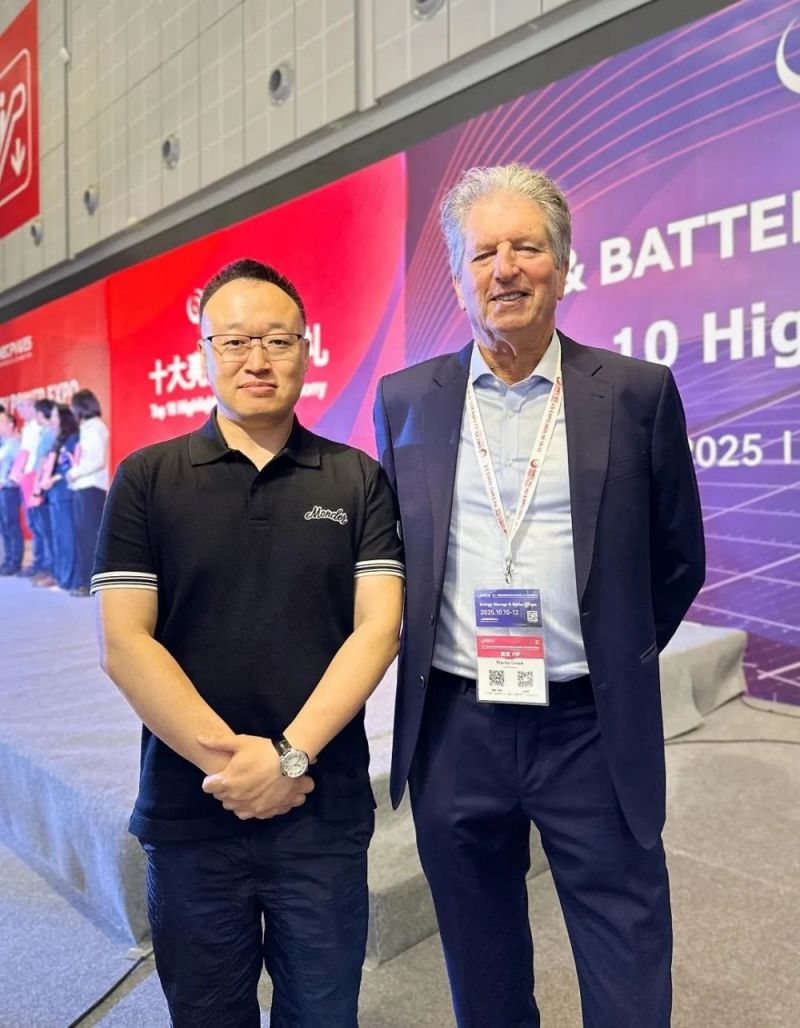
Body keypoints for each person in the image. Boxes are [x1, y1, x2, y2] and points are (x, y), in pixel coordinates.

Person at [374, 164, 705, 1028]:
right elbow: (396, 556)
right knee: (481, 970)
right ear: (458, 277)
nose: (506, 269)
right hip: (456, 726)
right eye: (484, 253)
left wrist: (615, 654)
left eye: (526, 247)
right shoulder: (405, 401)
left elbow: (679, 558)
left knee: (628, 961)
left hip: (590, 725)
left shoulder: (635, 393)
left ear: (562, 265)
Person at [92, 258, 404, 1028]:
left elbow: (380, 627)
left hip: (320, 811)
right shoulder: (147, 479)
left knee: (323, 1014)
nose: (256, 360)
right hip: (192, 813)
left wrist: (288, 759)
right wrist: (235, 770)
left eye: (277, 340)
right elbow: (126, 643)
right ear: (204, 353)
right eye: (234, 341)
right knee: (206, 1014)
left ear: (307, 349)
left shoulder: (357, 478)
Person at [66, 388, 109, 596]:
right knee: (84, 537)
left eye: (73, 406)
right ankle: (85, 581)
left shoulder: (95, 428)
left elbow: (97, 460)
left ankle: (89, 583)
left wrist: (74, 473)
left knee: (88, 538)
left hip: (90, 488)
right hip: (84, 487)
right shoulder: (88, 427)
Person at [39, 404, 81, 592]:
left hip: (65, 493)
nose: (53, 419)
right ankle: (61, 577)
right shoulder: (58, 439)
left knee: (67, 538)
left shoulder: (73, 438)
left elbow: (71, 466)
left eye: (56, 415)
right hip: (54, 494)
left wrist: (53, 478)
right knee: (58, 538)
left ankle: (70, 579)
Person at [28, 399, 58, 587]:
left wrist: (36, 487)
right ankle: (48, 568)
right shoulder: (48, 433)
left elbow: (43, 463)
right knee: (43, 529)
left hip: (43, 486)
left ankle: (51, 570)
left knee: (47, 531)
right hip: (42, 484)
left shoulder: (49, 434)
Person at [0, 410, 24, 575]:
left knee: (11, 524)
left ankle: (15, 561)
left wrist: (4, 481)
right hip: (2, 489)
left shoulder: (15, 444)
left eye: (1, 422)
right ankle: (8, 559)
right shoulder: (3, 444)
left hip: (9, 489)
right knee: (4, 526)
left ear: (10, 424)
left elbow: (17, 467)